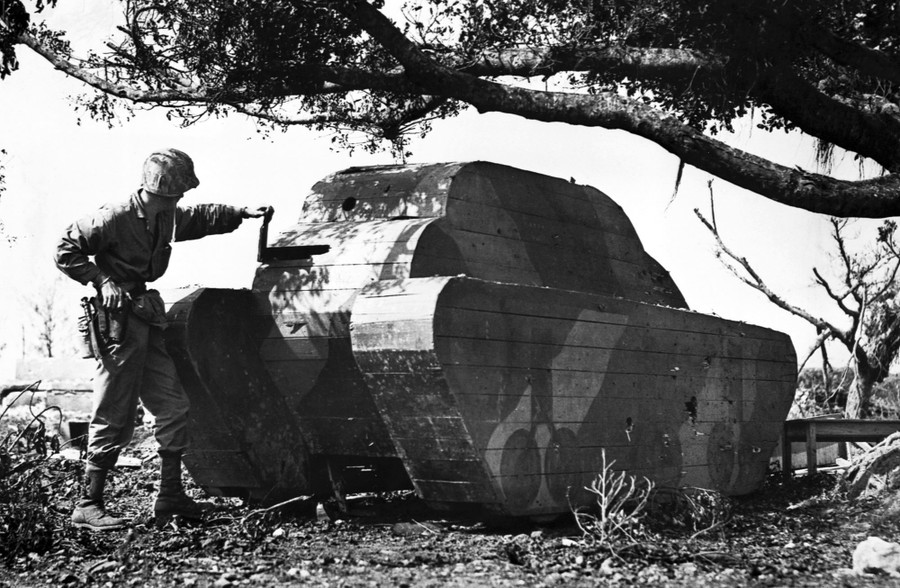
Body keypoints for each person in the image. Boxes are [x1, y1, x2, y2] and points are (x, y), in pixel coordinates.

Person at [55, 148, 269, 531]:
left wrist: (240, 213)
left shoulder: (166, 216)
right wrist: (102, 281)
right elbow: (65, 249)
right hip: (116, 324)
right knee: (113, 412)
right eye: (176, 193)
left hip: (144, 318)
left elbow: (199, 218)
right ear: (160, 189)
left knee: (173, 405)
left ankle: (169, 497)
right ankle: (88, 504)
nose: (180, 200)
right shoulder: (114, 216)